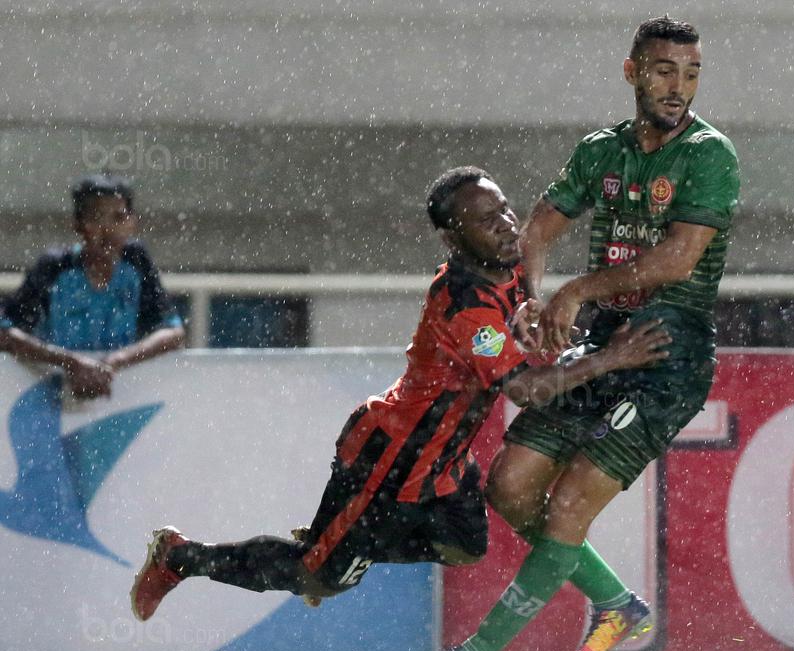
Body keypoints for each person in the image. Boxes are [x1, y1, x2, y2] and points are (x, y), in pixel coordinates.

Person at [129, 166, 671, 620]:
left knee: (467, 545)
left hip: (443, 459)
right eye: (486, 221)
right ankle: (181, 557)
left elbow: (527, 319)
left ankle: (332, 542)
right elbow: (526, 390)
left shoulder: (504, 272)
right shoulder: (464, 301)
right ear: (453, 237)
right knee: (316, 577)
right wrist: (612, 358)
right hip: (388, 457)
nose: (507, 226)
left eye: (504, 209)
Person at [390, 17, 740, 651]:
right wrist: (525, 299)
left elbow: (677, 258)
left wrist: (574, 290)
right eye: (664, 70)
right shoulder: (599, 151)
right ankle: (617, 604)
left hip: (664, 356)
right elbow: (539, 231)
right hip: (603, 340)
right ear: (632, 71)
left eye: (690, 73)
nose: (678, 86)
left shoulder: (708, 154)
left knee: (572, 503)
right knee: (510, 485)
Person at [0, 174, 186, 399]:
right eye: (96, 217)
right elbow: (5, 333)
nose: (108, 229)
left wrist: (112, 363)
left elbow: (173, 334)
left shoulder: (136, 261)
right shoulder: (55, 266)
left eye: (119, 218)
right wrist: (71, 363)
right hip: (49, 394)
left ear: (132, 223)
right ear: (77, 224)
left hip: (117, 393)